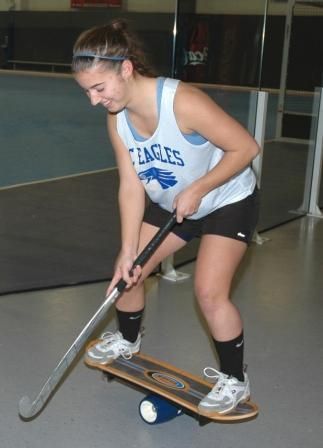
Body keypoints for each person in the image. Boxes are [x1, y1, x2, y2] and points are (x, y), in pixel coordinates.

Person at [72, 19, 260, 415]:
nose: (93, 100)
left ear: (125, 69)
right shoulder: (117, 118)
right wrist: (128, 251)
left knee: (209, 292)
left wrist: (200, 187)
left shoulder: (182, 102)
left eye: (99, 88)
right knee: (129, 272)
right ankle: (128, 340)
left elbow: (245, 147)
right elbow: (130, 184)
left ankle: (235, 381)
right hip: (175, 201)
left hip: (226, 198)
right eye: (86, 91)